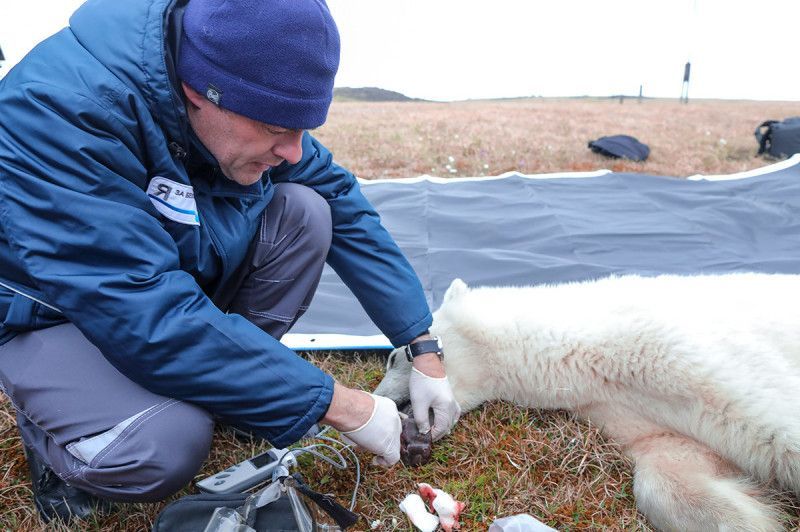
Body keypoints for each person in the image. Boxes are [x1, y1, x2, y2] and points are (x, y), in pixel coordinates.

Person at [0, 0, 461, 523]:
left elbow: (339, 199)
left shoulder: (223, 85)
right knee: (160, 446)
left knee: (308, 209)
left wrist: (421, 346)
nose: (294, 151)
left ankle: (229, 390)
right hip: (50, 311)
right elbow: (143, 311)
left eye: (303, 127)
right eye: (275, 128)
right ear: (197, 92)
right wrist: (341, 404)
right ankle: (56, 437)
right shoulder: (60, 111)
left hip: (166, 288)